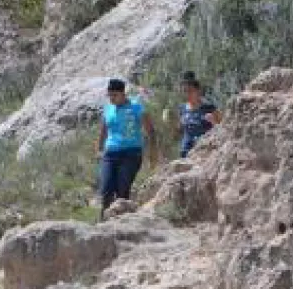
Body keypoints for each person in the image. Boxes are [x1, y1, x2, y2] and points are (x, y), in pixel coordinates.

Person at [95, 78, 157, 221]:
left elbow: (150, 131)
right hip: (110, 154)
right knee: (106, 190)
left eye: (114, 95)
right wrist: (98, 149)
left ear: (123, 94)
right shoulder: (108, 108)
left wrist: (152, 154)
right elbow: (103, 131)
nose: (111, 98)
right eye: (109, 95)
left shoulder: (136, 107)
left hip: (131, 154)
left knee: (122, 191)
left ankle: (122, 225)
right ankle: (103, 224)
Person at [165, 71, 222, 158]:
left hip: (204, 152)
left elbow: (222, 130)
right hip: (186, 152)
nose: (187, 94)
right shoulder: (182, 108)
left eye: (190, 91)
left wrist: (213, 121)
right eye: (185, 91)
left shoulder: (209, 108)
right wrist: (171, 122)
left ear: (198, 90)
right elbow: (178, 131)